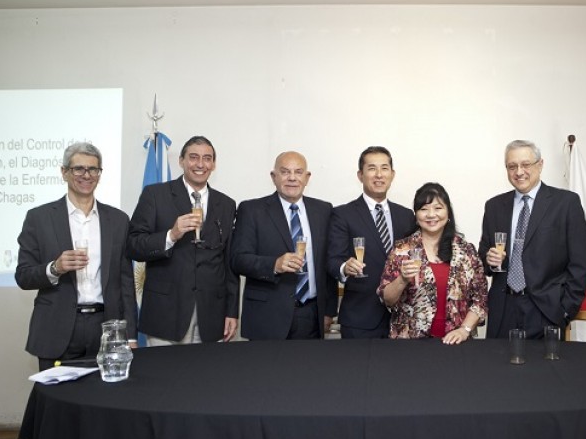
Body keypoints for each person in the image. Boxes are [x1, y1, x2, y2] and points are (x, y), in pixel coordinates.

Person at [15, 142, 137, 370]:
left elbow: (125, 282)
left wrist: (129, 335)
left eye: (93, 169)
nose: (86, 175)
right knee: (55, 393)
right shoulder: (39, 218)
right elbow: (23, 276)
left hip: (106, 328)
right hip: (57, 328)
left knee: (106, 392)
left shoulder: (118, 220)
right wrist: (55, 268)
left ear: (99, 174)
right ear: (64, 172)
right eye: (78, 169)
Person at [127, 136, 238, 345]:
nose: (200, 164)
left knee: (206, 368)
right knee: (164, 368)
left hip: (211, 315)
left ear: (213, 164)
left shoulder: (226, 204)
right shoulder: (155, 195)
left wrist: (232, 311)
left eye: (207, 158)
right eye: (193, 157)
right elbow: (133, 245)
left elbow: (228, 263)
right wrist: (171, 235)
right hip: (165, 313)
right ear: (181, 161)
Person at [479, 139, 586, 339]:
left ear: (540, 165)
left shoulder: (566, 203)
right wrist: (489, 260)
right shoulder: (494, 206)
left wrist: (565, 309)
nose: (519, 172)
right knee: (498, 361)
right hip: (503, 309)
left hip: (546, 310)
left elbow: (581, 262)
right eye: (512, 166)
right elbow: (483, 258)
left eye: (525, 164)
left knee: (545, 361)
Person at [231, 151, 337, 339]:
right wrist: (275, 264)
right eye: (285, 172)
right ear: (274, 177)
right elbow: (238, 260)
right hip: (267, 315)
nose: (292, 178)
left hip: (311, 315)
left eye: (298, 172)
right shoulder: (251, 210)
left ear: (307, 177)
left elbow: (327, 263)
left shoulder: (324, 210)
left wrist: (328, 310)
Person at [377, 183, 487, 344]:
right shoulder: (402, 250)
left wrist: (464, 330)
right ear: (416, 215)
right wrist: (402, 279)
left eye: (438, 208)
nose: (431, 214)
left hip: (456, 343)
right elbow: (387, 299)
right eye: (424, 209)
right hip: (409, 343)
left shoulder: (466, 251)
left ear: (448, 213)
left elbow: (480, 299)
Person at [328, 146, 415, 339]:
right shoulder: (343, 214)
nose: (379, 175)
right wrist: (345, 267)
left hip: (403, 318)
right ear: (360, 175)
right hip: (360, 318)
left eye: (384, 168)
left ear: (392, 174)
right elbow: (333, 260)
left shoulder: (406, 215)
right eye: (372, 168)